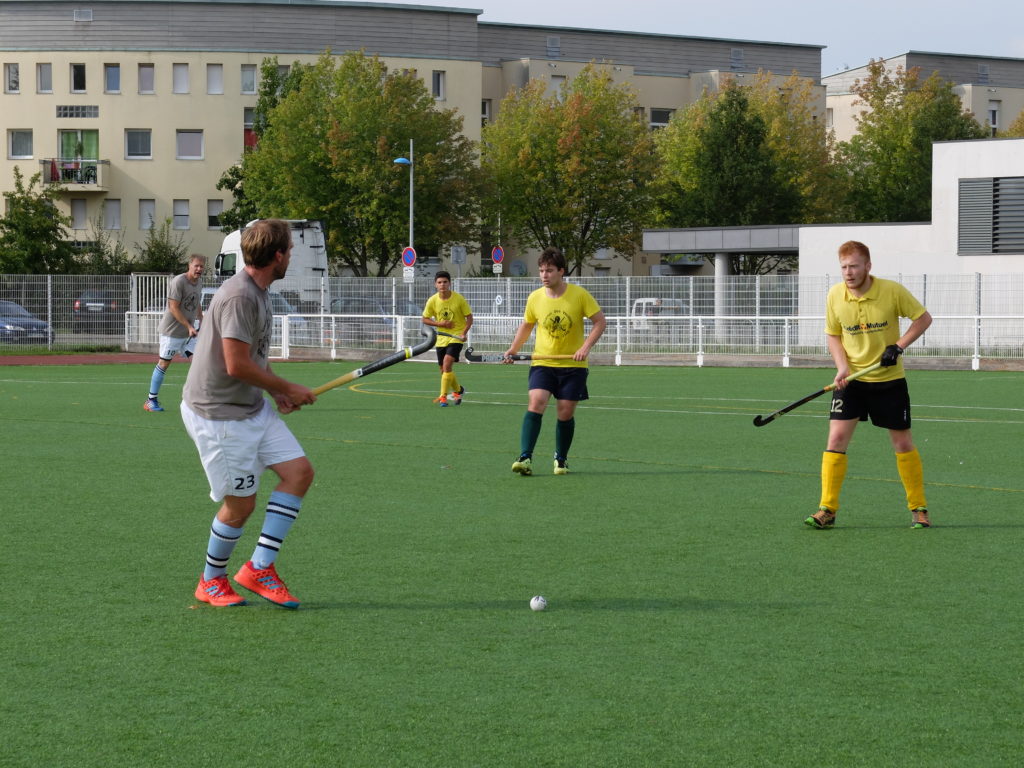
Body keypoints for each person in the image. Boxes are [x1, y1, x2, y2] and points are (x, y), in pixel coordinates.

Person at [181, 219, 317, 608]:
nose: (291, 255)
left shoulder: (260, 291)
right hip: (218, 415)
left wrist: (275, 392)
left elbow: (254, 358)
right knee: (241, 505)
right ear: (277, 256)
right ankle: (210, 581)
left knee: (299, 473)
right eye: (289, 250)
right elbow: (235, 366)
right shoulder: (240, 296)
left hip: (250, 407)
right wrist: (287, 387)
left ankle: (259, 568)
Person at [806, 240, 933, 530]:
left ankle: (919, 508)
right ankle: (827, 509)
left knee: (902, 443)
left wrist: (898, 347)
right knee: (835, 440)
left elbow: (923, 319)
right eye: (844, 267)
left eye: (854, 266)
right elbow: (834, 335)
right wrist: (841, 367)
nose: (848, 273)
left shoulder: (891, 291)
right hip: (851, 382)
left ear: (868, 266)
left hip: (889, 381)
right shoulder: (835, 295)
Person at [504, 247, 606, 475]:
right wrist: (513, 349)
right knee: (536, 402)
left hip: (573, 366)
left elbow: (600, 322)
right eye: (541, 271)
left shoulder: (579, 295)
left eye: (549, 270)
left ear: (561, 271)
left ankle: (561, 459)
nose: (544, 275)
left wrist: (585, 347)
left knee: (565, 412)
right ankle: (525, 458)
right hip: (543, 363)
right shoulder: (535, 297)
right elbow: (527, 325)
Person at [144, 254, 206, 412]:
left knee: (200, 362)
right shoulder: (179, 281)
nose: (199, 269)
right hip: (172, 332)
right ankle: (151, 401)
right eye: (196, 266)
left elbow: (196, 301)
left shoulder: (199, 282)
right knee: (164, 364)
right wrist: (189, 326)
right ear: (189, 265)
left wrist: (201, 319)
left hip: (188, 333)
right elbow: (173, 307)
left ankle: (197, 398)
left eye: (202, 266)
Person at [421, 270, 474, 407]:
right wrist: (439, 323)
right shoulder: (432, 300)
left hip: (456, 336)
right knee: (443, 370)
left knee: (447, 364)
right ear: (435, 285)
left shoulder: (459, 299)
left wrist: (464, 332)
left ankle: (443, 397)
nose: (442, 285)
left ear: (449, 283)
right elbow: (425, 319)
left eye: (445, 282)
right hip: (441, 338)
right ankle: (458, 390)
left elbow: (469, 317)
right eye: (439, 282)